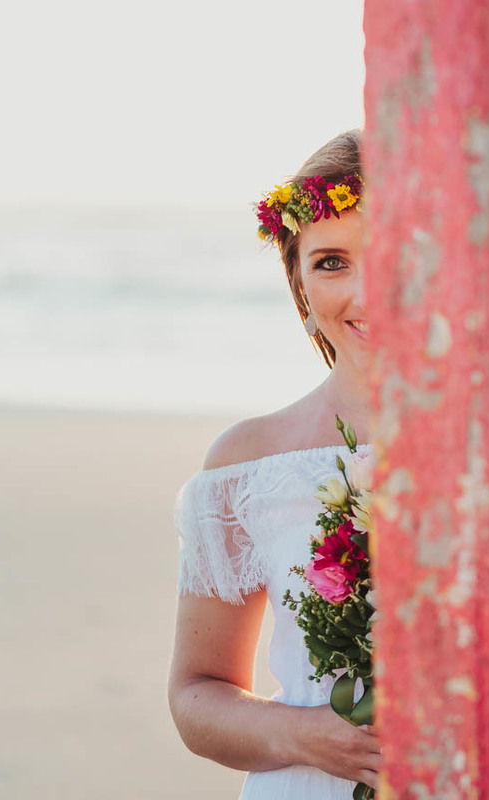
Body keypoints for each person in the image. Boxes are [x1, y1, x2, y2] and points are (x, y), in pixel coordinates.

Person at [168, 130, 383, 797]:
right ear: (300, 282)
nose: (367, 293)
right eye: (331, 262)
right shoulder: (248, 463)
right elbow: (197, 694)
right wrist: (309, 735)